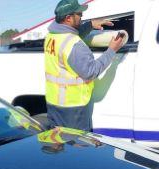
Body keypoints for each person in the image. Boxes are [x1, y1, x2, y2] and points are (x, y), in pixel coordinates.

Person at [45, 0, 126, 131]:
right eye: (79, 14)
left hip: (54, 105)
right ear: (68, 18)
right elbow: (91, 72)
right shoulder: (75, 45)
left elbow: (69, 35)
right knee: (78, 147)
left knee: (61, 143)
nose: (82, 16)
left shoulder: (52, 36)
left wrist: (90, 25)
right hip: (74, 109)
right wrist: (111, 50)